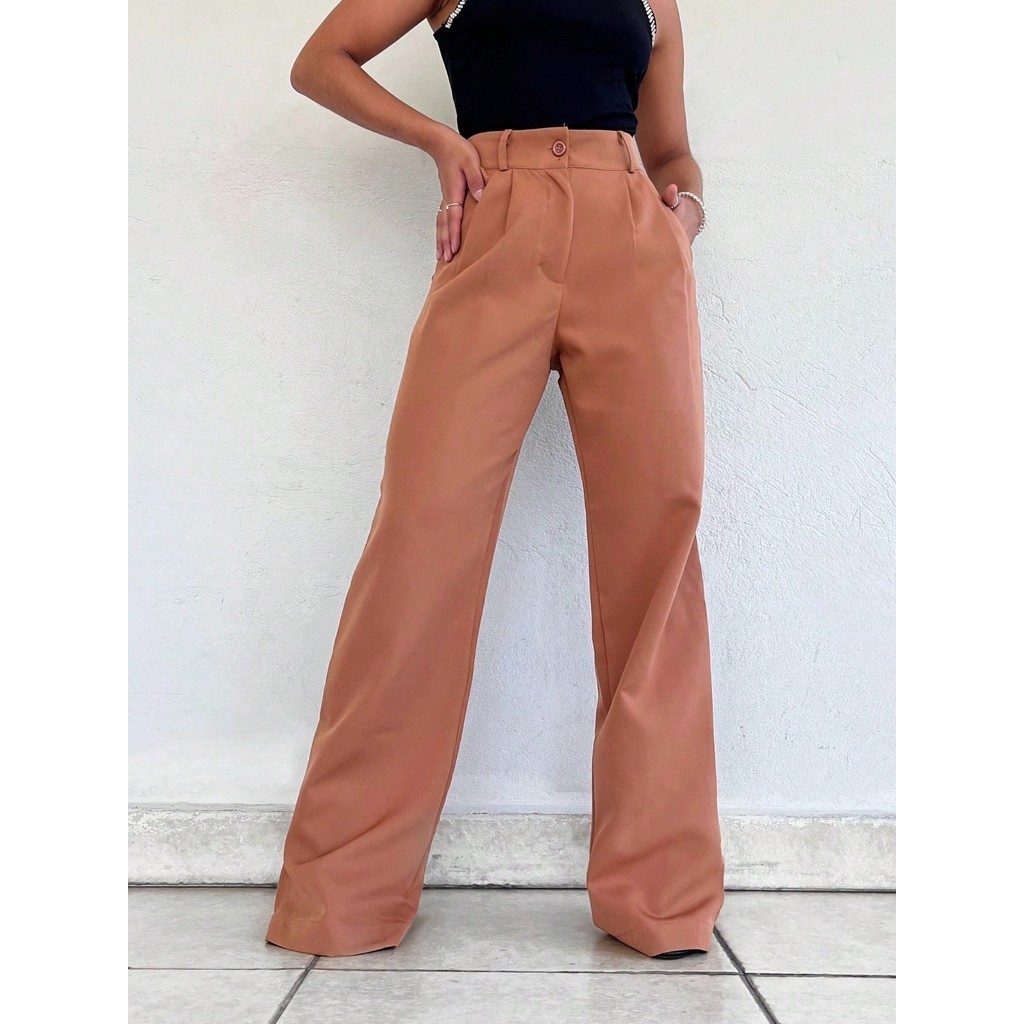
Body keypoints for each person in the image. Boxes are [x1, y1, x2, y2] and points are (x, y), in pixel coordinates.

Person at [265, 0, 724, 961]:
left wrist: (681, 211)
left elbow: (670, 148)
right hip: (495, 223)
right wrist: (440, 142)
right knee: (421, 544)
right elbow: (322, 61)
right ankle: (342, 895)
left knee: (658, 554)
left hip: (633, 244)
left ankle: (662, 899)